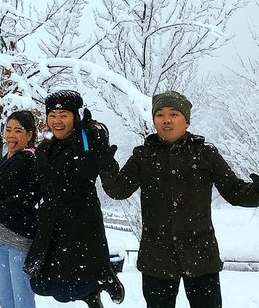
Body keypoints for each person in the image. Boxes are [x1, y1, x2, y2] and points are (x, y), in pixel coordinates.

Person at [96, 90, 259, 308]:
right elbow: (118, 190)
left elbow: (235, 191)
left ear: (187, 121)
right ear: (154, 120)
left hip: (201, 255)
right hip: (157, 256)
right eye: (160, 115)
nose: (166, 120)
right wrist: (107, 166)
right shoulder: (143, 156)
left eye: (173, 114)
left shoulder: (205, 153)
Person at [23, 90, 124, 308]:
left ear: (75, 116)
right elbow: (37, 182)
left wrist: (105, 161)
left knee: (84, 271)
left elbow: (99, 171)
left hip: (81, 216)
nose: (57, 121)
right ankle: (94, 290)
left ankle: (105, 279)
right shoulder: (45, 146)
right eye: (53, 115)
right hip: (53, 218)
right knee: (50, 281)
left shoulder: (87, 138)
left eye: (64, 114)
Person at [0, 110, 40, 308]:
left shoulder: (26, 159)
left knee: (21, 297)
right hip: (3, 237)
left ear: (29, 135)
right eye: (8, 130)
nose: (11, 135)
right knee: (6, 296)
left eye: (18, 131)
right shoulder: (9, 159)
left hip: (19, 237)